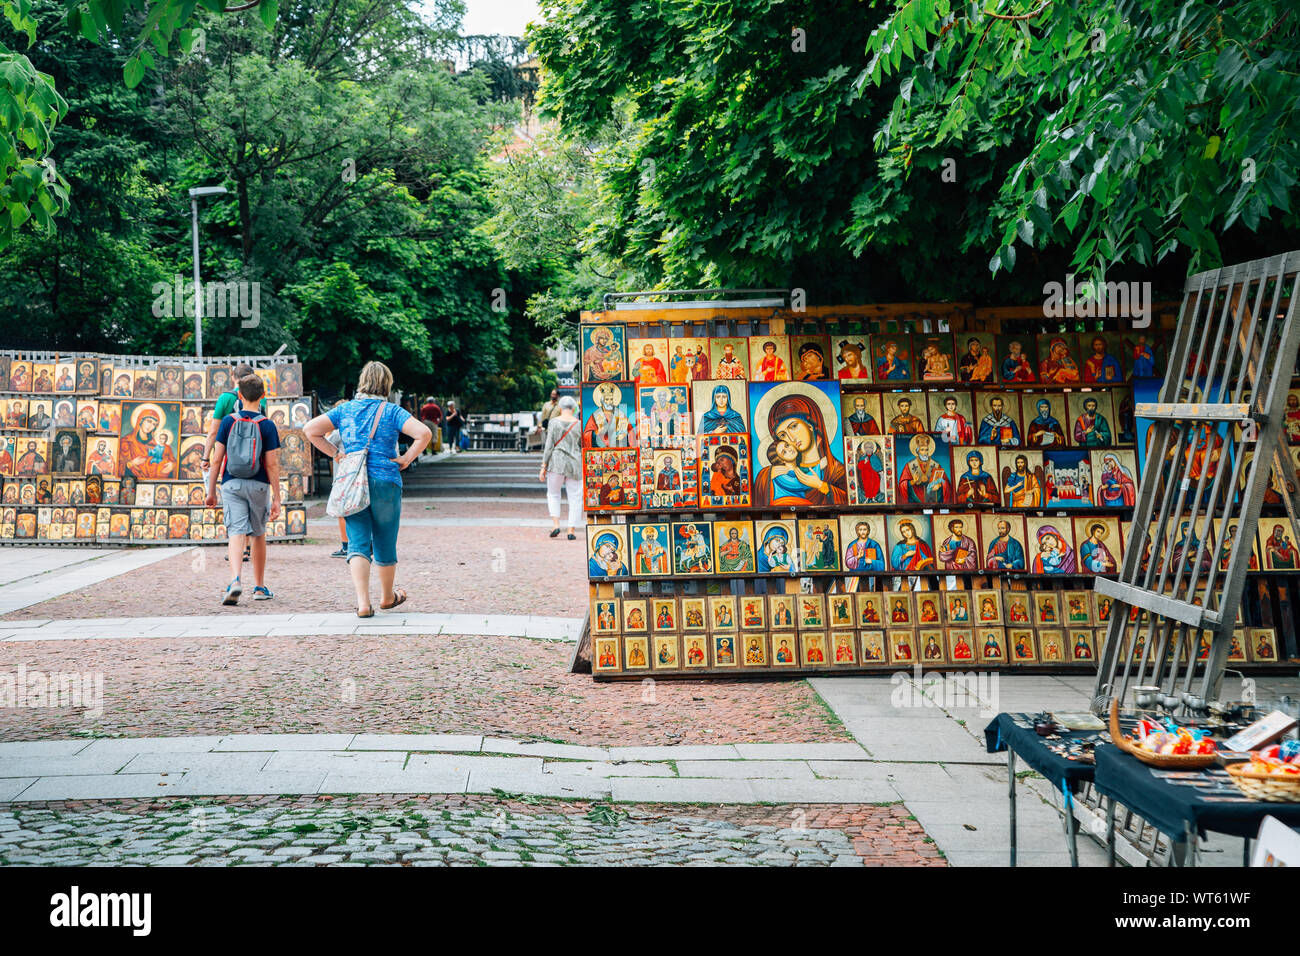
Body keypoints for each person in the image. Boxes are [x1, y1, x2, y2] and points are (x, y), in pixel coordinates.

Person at [304, 361, 432, 617]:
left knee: (357, 540)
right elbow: (424, 433)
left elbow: (310, 430)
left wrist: (336, 454)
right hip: (385, 480)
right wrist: (406, 459)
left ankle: (363, 603)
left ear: (362, 382)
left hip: (353, 482)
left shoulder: (346, 410)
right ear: (387, 384)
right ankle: (387, 597)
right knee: (385, 537)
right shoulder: (392, 411)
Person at [206, 375, 281, 605]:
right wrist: (277, 497)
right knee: (257, 533)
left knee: (236, 532)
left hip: (232, 483)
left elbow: (217, 459)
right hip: (259, 484)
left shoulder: (228, 422)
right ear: (263, 396)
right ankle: (259, 587)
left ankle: (235, 580)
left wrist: (211, 491)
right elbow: (271, 464)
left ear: (239, 395)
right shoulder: (267, 425)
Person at [539, 395, 583, 540]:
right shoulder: (579, 424)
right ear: (574, 408)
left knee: (553, 493)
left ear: (560, 408)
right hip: (575, 463)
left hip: (557, 462)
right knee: (575, 496)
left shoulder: (553, 423)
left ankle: (556, 525)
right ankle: (571, 530)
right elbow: (581, 446)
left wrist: (543, 466)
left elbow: (549, 445)